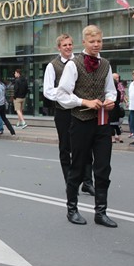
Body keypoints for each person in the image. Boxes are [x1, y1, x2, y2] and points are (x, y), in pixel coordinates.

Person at [56, 25, 117, 228]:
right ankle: (72, 209)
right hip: (80, 122)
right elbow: (62, 95)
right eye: (92, 42)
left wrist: (110, 100)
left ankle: (101, 212)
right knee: (78, 166)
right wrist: (84, 102)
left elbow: (111, 90)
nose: (96, 45)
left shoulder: (106, 64)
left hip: (101, 123)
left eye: (99, 41)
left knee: (103, 168)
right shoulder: (74, 64)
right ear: (84, 42)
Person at [43, 33, 96, 195]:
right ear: (59, 48)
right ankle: (70, 181)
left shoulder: (80, 62)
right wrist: (64, 97)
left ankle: (87, 181)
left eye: (70, 44)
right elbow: (48, 90)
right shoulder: (53, 66)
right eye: (64, 45)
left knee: (86, 146)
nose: (68, 47)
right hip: (63, 112)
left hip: (81, 110)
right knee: (66, 147)